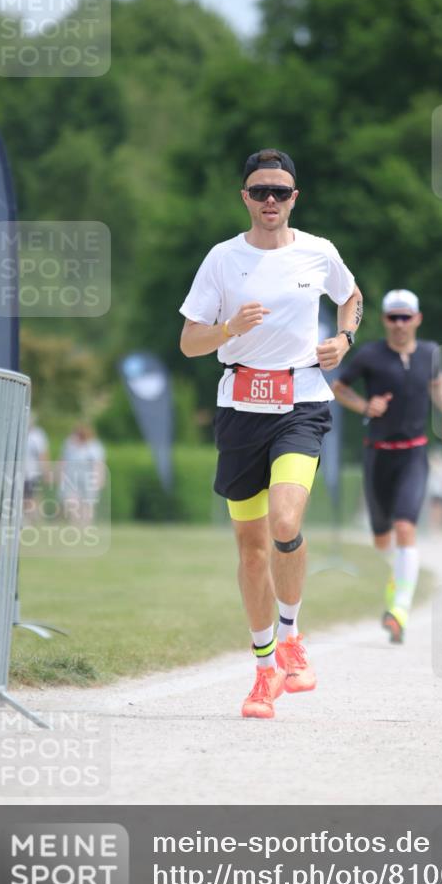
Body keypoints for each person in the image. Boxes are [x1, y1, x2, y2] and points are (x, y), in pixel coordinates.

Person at [179, 148, 362, 719]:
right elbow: (189, 342)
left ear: (293, 198)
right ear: (245, 197)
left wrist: (345, 340)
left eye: (279, 192)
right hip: (239, 407)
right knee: (251, 552)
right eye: (259, 192)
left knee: (286, 522)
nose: (269, 202)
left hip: (301, 402)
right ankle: (264, 675)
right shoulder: (221, 260)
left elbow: (351, 298)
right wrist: (228, 328)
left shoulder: (319, 252)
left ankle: (290, 634)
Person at [332, 289, 442, 643]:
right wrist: (364, 406)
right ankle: (398, 574)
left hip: (413, 454)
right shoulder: (371, 355)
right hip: (378, 453)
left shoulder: (430, 353)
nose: (401, 324)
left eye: (407, 317)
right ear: (385, 320)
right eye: (394, 317)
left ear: (418, 319)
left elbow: (438, 384)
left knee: (406, 527)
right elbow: (339, 387)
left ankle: (399, 610)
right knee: (381, 538)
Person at [59, 424, 107, 525]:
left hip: (88, 478)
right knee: (71, 501)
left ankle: (85, 524)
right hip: (71, 477)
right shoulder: (69, 444)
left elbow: (98, 464)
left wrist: (99, 479)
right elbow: (63, 460)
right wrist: (60, 474)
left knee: (87, 503)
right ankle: (75, 522)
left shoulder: (94, 446)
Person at [23, 410, 50, 522]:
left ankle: (33, 518)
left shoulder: (37, 436)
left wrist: (46, 471)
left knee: (30, 497)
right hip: (19, 472)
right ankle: (28, 518)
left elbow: (42, 454)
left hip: (32, 472)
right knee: (22, 497)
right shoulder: (19, 433)